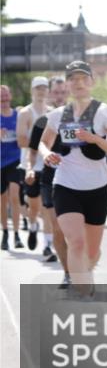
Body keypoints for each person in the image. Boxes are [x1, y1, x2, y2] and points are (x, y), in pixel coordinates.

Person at [38, 61, 107, 294]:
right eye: (73, 79)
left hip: (97, 188)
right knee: (75, 242)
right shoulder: (57, 115)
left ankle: (86, 273)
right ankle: (83, 296)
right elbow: (43, 143)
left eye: (82, 78)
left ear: (91, 82)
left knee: (92, 252)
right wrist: (47, 155)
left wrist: (95, 139)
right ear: (67, 84)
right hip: (66, 185)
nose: (78, 83)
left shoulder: (104, 112)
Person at [26, 77, 69, 274]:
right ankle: (68, 273)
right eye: (56, 93)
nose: (60, 97)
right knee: (58, 229)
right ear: (50, 95)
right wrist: (29, 168)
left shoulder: (81, 119)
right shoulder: (42, 121)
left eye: (63, 92)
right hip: (50, 178)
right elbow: (33, 150)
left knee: (76, 232)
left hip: (77, 180)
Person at [17, 76, 51, 250]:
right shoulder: (25, 113)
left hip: (47, 165)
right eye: (38, 87)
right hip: (29, 166)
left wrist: (46, 147)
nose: (41, 91)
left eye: (44, 87)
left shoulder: (52, 112)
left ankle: (47, 245)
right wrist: (42, 141)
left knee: (47, 207)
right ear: (32, 90)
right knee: (34, 206)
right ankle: (32, 226)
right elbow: (21, 141)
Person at [1, 85, 24, 250]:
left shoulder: (18, 116)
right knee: (2, 200)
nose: (3, 100)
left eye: (5, 96)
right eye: (1, 97)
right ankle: (5, 233)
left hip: (15, 161)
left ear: (10, 97)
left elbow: (24, 137)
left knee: (15, 197)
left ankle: (16, 234)